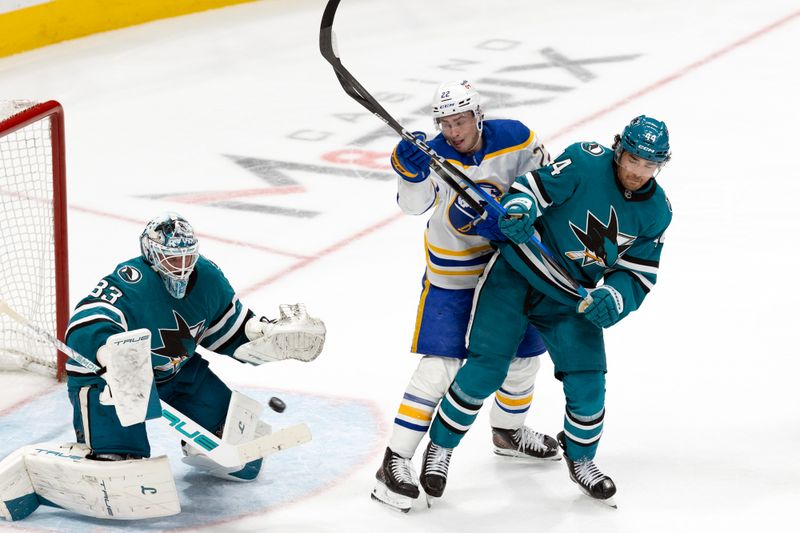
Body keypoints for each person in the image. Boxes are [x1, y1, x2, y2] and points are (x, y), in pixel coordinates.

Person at [424, 115, 673, 506]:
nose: (638, 172)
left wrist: (615, 297)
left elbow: (638, 273)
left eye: (649, 165)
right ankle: (440, 448)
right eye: (633, 160)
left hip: (570, 298)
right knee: (486, 369)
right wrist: (520, 209)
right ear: (619, 151)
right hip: (515, 273)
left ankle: (582, 459)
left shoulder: (657, 211)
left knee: (589, 381)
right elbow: (530, 188)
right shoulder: (585, 161)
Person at [372, 80, 559, 513]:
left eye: (460, 121)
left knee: (524, 358)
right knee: (441, 367)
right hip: (453, 276)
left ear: (478, 115)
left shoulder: (516, 138)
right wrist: (409, 172)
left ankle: (508, 433)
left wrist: (516, 215)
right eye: (445, 123)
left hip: (510, 271)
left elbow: (546, 187)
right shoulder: (432, 154)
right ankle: (394, 461)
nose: (453, 131)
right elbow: (413, 205)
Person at [64, 212, 326, 481]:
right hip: (114, 380)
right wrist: (108, 354)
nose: (181, 267)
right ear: (151, 255)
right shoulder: (132, 280)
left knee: (240, 449)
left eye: (187, 257)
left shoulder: (208, 278)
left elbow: (228, 330)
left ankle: (201, 446)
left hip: (178, 371)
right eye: (172, 258)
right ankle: (108, 452)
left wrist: (263, 335)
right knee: (119, 467)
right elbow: (86, 322)